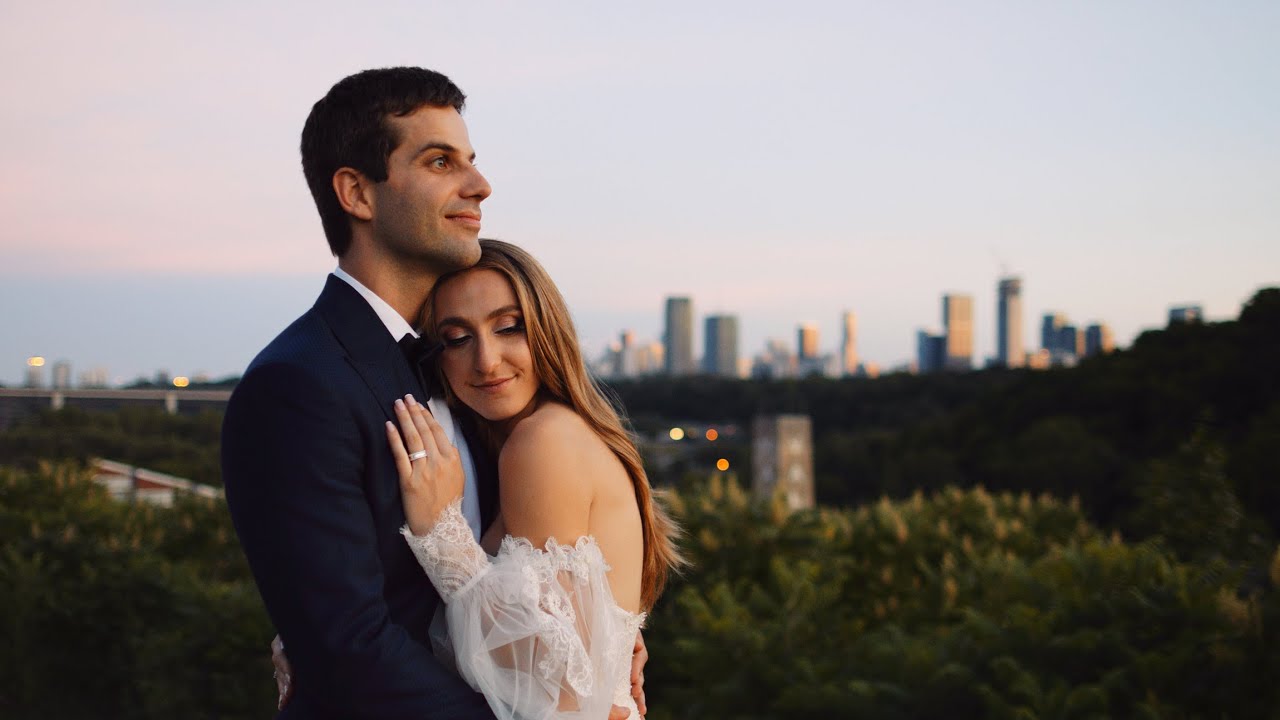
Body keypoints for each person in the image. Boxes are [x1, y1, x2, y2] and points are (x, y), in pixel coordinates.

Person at [222, 67, 648, 719]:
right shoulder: (298, 385)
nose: (480, 185)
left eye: (471, 161)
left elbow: (550, 605)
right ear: (357, 193)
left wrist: (603, 657)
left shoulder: (484, 394)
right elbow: (349, 649)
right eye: (440, 161)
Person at [390, 239, 682, 718]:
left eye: (509, 328)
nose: (486, 360)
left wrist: (440, 537)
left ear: (548, 330)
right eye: (458, 338)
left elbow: (556, 678)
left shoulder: (542, 442)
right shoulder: (536, 436)